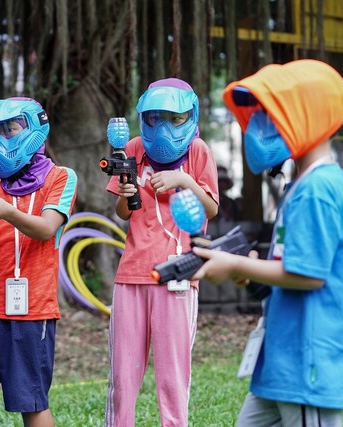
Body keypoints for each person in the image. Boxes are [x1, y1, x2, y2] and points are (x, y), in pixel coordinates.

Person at [192, 59, 343, 426]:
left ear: (307, 116)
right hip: (282, 361)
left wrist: (236, 265)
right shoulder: (301, 185)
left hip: (308, 363)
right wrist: (255, 274)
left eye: (273, 114)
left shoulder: (318, 189)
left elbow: (308, 276)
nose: (261, 126)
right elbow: (289, 266)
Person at [0, 97, 77, 427]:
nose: (2, 139)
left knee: (31, 401)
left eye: (11, 129)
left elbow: (47, 228)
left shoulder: (61, 177)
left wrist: (8, 210)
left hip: (30, 306)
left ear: (36, 129)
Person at [104, 78, 219, 427]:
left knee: (172, 377)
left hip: (179, 276)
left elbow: (211, 209)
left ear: (190, 115)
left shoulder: (199, 151)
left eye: (173, 118)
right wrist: (127, 190)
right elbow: (122, 213)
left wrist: (182, 182)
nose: (163, 128)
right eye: (154, 118)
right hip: (132, 275)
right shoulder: (133, 149)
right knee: (123, 377)